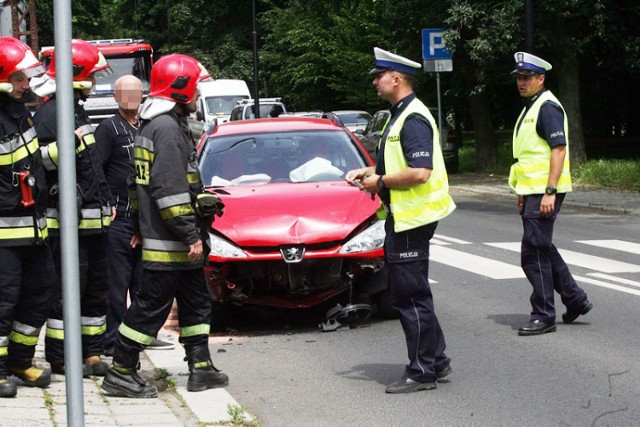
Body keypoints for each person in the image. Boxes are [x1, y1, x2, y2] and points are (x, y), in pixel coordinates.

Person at [101, 54, 227, 398]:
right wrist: (190, 233)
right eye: (196, 86)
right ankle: (121, 371)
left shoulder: (153, 124)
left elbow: (136, 181)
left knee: (197, 302)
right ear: (182, 88)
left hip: (167, 237)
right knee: (150, 309)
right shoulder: (168, 128)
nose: (199, 93)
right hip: (173, 242)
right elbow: (168, 190)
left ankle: (200, 366)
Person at [345, 47, 456, 394]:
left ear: (397, 78)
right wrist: (371, 172)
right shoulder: (400, 114)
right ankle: (435, 359)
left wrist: (379, 182)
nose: (375, 82)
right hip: (406, 216)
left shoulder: (413, 118)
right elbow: (398, 164)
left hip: (412, 219)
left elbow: (421, 172)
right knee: (414, 291)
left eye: (379, 76)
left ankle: (422, 371)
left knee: (409, 296)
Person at [31, 39, 115, 376]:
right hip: (67, 224)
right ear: (77, 75)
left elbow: (92, 163)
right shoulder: (50, 114)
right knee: (66, 292)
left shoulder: (76, 109)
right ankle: (61, 356)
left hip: (93, 222)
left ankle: (91, 354)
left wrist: (106, 198)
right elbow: (38, 163)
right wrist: (64, 146)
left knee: (96, 288)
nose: (95, 83)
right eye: (92, 76)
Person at [509, 52, 593, 336]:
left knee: (532, 254)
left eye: (527, 77)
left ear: (540, 78)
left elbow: (559, 150)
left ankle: (543, 314)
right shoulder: (531, 106)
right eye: (519, 78)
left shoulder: (547, 107)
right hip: (532, 190)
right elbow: (529, 156)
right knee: (541, 247)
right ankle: (574, 298)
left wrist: (549, 191)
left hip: (545, 190)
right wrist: (523, 190)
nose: (521, 82)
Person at [95, 75, 175, 355]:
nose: (132, 98)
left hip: (144, 220)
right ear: (116, 97)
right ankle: (111, 341)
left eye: (137, 92)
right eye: (126, 93)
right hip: (119, 219)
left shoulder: (147, 127)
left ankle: (140, 335)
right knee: (117, 283)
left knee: (144, 283)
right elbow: (96, 168)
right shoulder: (108, 129)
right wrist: (106, 202)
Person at [0, 37, 56, 398]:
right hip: (3, 231)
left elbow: (32, 163)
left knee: (41, 292)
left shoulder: (20, 114)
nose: (26, 85)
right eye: (19, 78)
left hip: (32, 227)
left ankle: (20, 360)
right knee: (3, 301)